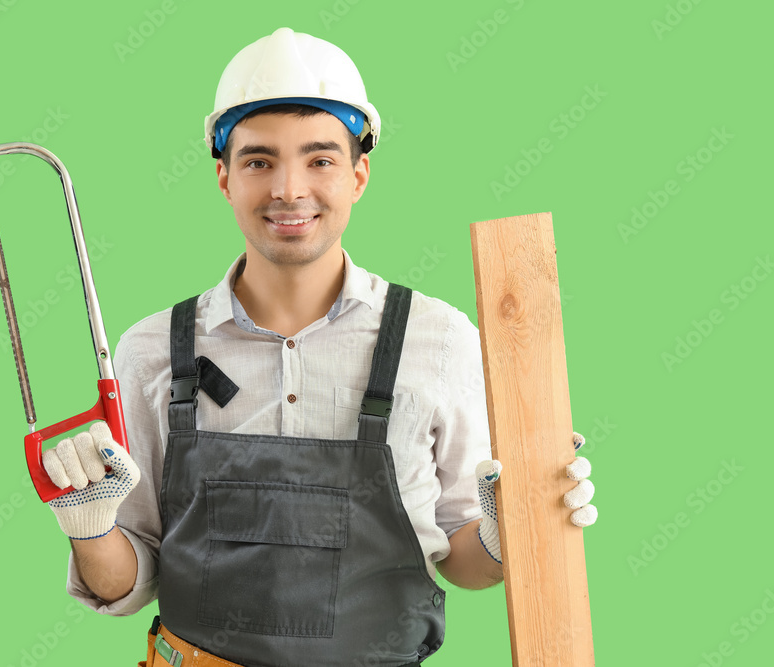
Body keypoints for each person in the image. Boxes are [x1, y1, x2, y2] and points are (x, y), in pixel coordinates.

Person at [40, 27, 597, 667]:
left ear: (359, 174)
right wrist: (90, 526)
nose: (289, 188)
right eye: (258, 161)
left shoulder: (439, 340)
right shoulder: (152, 352)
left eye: (320, 159)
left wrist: (508, 533)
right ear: (223, 176)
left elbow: (465, 564)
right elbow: (127, 581)